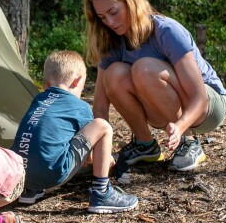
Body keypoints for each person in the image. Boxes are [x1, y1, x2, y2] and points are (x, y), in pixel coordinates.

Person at [84, 0, 226, 177]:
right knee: (114, 74)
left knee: (143, 68)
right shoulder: (112, 41)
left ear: (130, 2)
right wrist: (99, 150)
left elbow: (200, 97)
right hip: (164, 110)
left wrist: (180, 127)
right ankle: (145, 145)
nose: (110, 21)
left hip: (208, 106)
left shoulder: (166, 30)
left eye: (113, 12)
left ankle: (189, 143)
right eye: (102, 17)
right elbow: (100, 104)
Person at [11, 50, 138, 213]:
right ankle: (102, 192)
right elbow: (90, 152)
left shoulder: (39, 100)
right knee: (102, 126)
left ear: (45, 84)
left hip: (20, 174)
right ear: (77, 81)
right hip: (53, 171)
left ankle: (31, 190)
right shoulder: (80, 106)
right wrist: (107, 159)